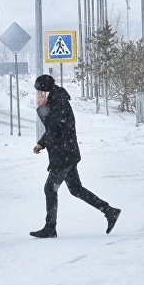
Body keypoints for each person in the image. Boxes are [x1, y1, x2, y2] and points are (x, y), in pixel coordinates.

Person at [29, 74, 120, 238]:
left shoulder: (59, 103)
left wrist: (42, 111)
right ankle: (109, 211)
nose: (39, 95)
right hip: (66, 152)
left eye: (40, 92)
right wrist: (42, 143)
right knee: (76, 189)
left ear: (47, 91)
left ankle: (50, 228)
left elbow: (54, 128)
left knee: (50, 189)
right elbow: (53, 129)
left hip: (63, 155)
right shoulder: (56, 101)